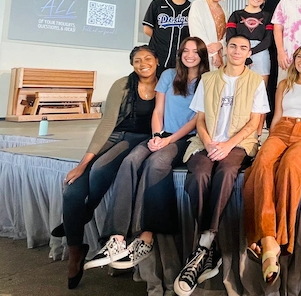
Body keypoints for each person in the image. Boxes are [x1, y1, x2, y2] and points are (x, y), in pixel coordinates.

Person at [84, 37, 210, 272]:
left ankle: (146, 237)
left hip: (185, 138)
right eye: (185, 50)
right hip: (162, 133)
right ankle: (117, 238)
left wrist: (168, 141)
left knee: (156, 164)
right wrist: (156, 135)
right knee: (130, 160)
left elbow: (197, 119)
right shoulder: (168, 75)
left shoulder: (207, 80)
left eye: (195, 51)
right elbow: (158, 110)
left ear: (202, 55)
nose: (190, 55)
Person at [52, 46, 158, 289]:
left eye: (148, 58)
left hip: (139, 139)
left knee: (100, 168)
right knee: (72, 189)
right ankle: (76, 250)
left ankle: (86, 211)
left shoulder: (164, 83)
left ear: (156, 60)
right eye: (137, 60)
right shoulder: (122, 84)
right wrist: (82, 164)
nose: (143, 63)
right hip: (115, 135)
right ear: (132, 64)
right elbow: (108, 122)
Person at [173, 34, 270, 296]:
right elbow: (200, 119)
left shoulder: (255, 82)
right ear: (226, 50)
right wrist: (208, 142)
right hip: (207, 141)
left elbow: (254, 123)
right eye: (233, 46)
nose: (237, 51)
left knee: (227, 171)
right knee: (200, 173)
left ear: (249, 52)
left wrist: (228, 145)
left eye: (243, 48)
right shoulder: (209, 79)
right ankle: (210, 250)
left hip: (238, 144)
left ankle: (205, 243)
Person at [243, 44, 301, 283]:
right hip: (281, 131)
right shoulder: (283, 84)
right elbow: (278, 117)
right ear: (293, 60)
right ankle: (268, 240)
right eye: (299, 57)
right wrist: (267, 142)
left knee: (291, 167)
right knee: (262, 164)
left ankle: (279, 239)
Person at [263, 0, 294, 127]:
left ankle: (285, 123)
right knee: (268, 88)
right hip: (264, 50)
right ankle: (269, 124)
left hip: (285, 49)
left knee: (285, 86)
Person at [143, 0, 192, 74]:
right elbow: (147, 29)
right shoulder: (157, 3)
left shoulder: (193, 8)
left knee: (177, 89)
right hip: (157, 57)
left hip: (182, 60)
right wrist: (163, 40)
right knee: (154, 87)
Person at [226, 0, 273, 87]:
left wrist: (250, 53)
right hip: (238, 52)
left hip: (260, 52)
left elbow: (268, 40)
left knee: (259, 89)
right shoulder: (236, 15)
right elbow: (230, 37)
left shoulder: (268, 16)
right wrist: (243, 55)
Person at [189, 0, 228, 70]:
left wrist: (221, 44)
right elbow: (197, 31)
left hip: (222, 54)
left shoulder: (225, 10)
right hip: (204, 53)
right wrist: (214, 54)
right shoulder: (197, 5)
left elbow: (228, 33)